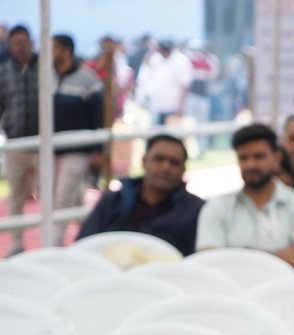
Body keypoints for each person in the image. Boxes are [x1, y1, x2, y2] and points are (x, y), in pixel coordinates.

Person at [196, 124, 294, 271]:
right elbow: (209, 262)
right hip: (230, 286)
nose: (251, 165)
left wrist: (234, 258)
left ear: (277, 158)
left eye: (259, 157)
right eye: (243, 158)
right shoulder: (217, 207)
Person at [75, 133, 203, 254]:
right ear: (144, 161)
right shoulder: (112, 201)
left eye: (174, 162)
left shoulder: (195, 210)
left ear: (183, 169)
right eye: (158, 159)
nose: (166, 167)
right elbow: (82, 245)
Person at [47, 34, 102, 212]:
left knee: (61, 200)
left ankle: (56, 233)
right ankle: (86, 228)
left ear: (67, 51)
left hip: (78, 149)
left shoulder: (88, 79)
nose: (49, 52)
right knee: (64, 198)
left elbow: (98, 117)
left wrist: (98, 150)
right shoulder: (47, 77)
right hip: (52, 149)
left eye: (54, 48)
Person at [0, 25, 40, 255]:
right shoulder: (3, 72)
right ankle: (16, 244)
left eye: (24, 42)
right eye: (16, 43)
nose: (21, 47)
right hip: (15, 142)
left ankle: (49, 242)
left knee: (48, 193)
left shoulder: (45, 68)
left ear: (31, 42)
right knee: (16, 195)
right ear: (10, 46)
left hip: (44, 143)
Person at [133, 38, 190, 124]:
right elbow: (145, 70)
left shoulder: (180, 61)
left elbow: (185, 84)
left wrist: (182, 106)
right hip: (156, 105)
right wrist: (152, 49)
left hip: (173, 106)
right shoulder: (155, 58)